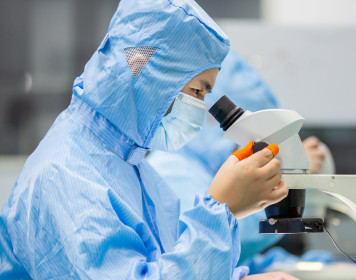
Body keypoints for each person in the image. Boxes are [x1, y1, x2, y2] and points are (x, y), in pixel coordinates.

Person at [0, 1, 297, 279]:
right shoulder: (64, 174)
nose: (200, 109)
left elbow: (160, 266)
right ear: (152, 77)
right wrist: (221, 209)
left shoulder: (131, 166)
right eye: (197, 92)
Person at [148, 50, 335, 267]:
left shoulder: (205, 170)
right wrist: (283, 183)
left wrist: (325, 266)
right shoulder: (170, 170)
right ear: (212, 121)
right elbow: (210, 249)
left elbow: (239, 261)